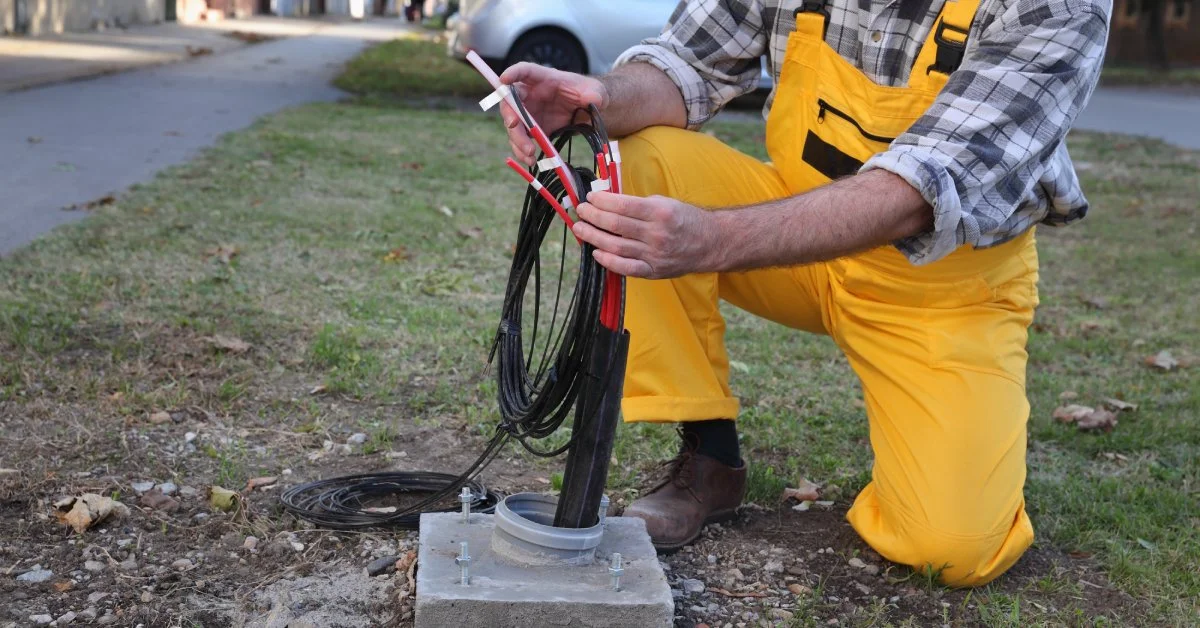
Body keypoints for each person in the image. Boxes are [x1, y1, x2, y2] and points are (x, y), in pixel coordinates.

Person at [496, 0, 1109, 586]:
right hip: (793, 237)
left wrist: (712, 238)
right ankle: (710, 459)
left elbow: (927, 183)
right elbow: (687, 62)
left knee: (951, 550)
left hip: (944, 284)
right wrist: (597, 98)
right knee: (637, 159)